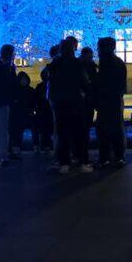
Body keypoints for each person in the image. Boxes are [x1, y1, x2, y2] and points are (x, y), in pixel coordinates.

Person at [48, 36, 90, 173]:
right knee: (79, 133)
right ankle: (82, 161)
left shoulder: (55, 64)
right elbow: (84, 82)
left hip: (60, 103)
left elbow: (51, 83)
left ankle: (64, 163)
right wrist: (87, 93)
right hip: (75, 102)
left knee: (63, 134)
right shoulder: (76, 64)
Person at [95, 36, 128, 168]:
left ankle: (105, 158)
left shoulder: (105, 63)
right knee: (116, 128)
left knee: (103, 129)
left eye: (99, 48)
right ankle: (118, 157)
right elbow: (122, 85)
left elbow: (100, 83)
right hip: (115, 100)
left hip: (107, 101)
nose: (98, 50)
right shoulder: (118, 62)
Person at [9, 71, 34, 158]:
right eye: (22, 79)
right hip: (17, 116)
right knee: (16, 133)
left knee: (18, 133)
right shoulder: (17, 91)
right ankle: (15, 149)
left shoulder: (29, 90)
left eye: (25, 79)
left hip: (24, 115)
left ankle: (16, 149)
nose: (24, 81)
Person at [32, 67, 54, 154]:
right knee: (44, 127)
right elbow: (36, 99)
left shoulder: (51, 86)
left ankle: (47, 145)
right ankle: (45, 145)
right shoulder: (40, 86)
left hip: (49, 110)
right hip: (43, 110)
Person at [79, 46, 98, 138]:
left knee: (88, 119)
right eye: (89, 56)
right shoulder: (80, 65)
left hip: (89, 96)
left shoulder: (90, 64)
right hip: (83, 97)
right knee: (83, 121)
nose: (90, 58)